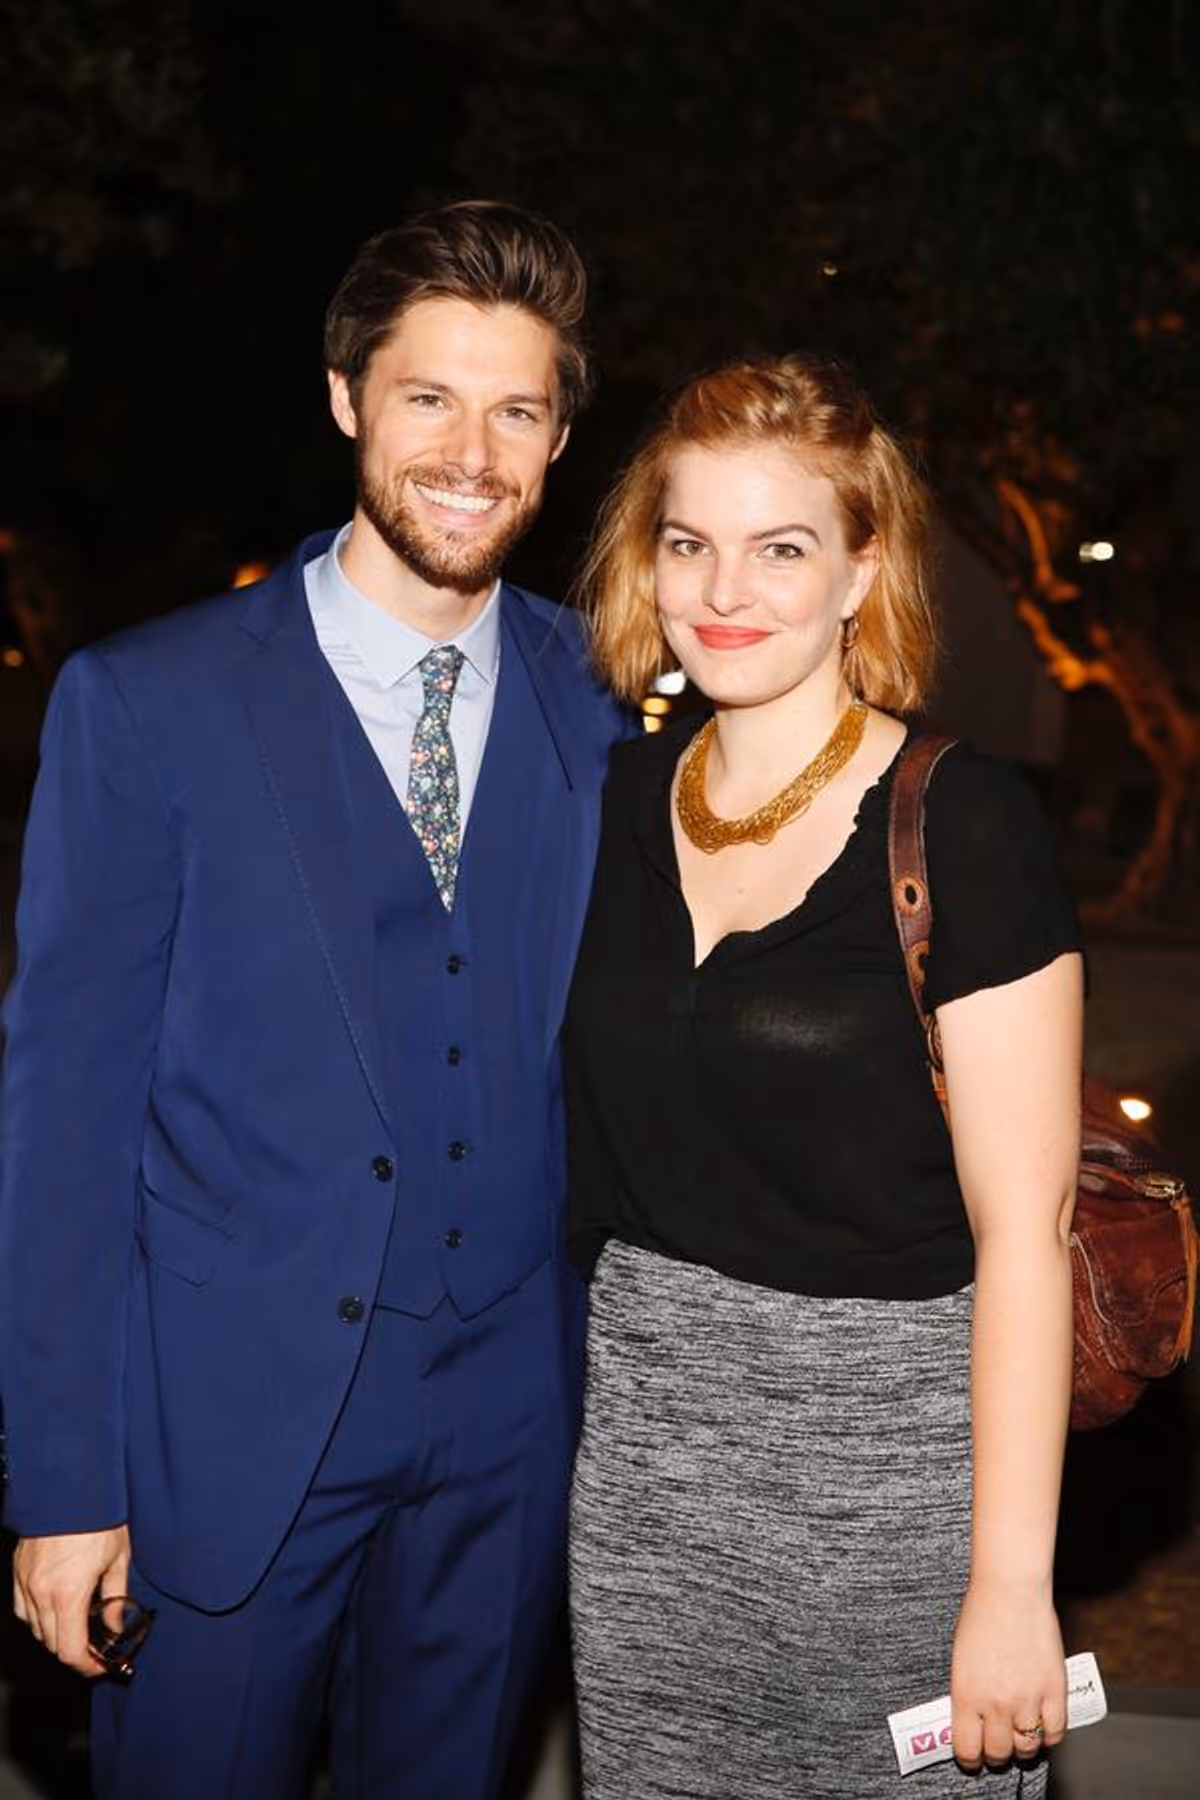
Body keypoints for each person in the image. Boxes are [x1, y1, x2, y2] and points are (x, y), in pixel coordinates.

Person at [0, 199, 629, 1800]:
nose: (471, 453)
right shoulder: (146, 703)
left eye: (517, 411)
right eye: (429, 397)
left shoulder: (607, 704)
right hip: (223, 1441)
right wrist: (65, 1483)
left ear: (559, 441)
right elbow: (61, 1130)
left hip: (508, 1437)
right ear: (347, 399)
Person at [564, 354, 1084, 1798]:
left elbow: (1027, 1241)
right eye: (690, 542)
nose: (725, 587)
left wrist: (1011, 1587)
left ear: (863, 569)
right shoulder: (606, 802)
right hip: (649, 1501)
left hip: (899, 1504)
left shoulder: (963, 826)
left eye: (782, 547)